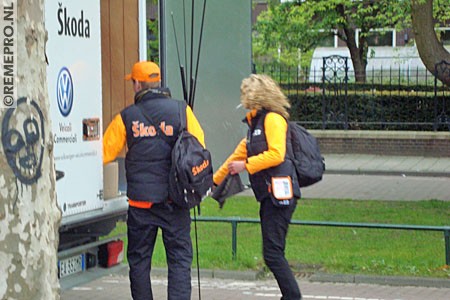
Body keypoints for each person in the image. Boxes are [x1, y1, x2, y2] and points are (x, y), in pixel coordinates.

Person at [103, 61, 206, 300]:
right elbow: (199, 147)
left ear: (138, 84)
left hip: (141, 205)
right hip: (175, 201)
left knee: (139, 263)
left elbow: (105, 153)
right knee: (179, 261)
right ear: (158, 82)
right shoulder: (183, 111)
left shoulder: (126, 117)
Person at [213, 74, 302, 300]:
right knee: (273, 252)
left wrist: (246, 165)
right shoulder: (255, 125)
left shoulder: (273, 120)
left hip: (280, 195)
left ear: (255, 95)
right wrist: (212, 182)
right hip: (269, 195)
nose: (242, 97)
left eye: (245, 92)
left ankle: (292, 296)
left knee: (272, 254)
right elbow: (236, 156)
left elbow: (276, 154)